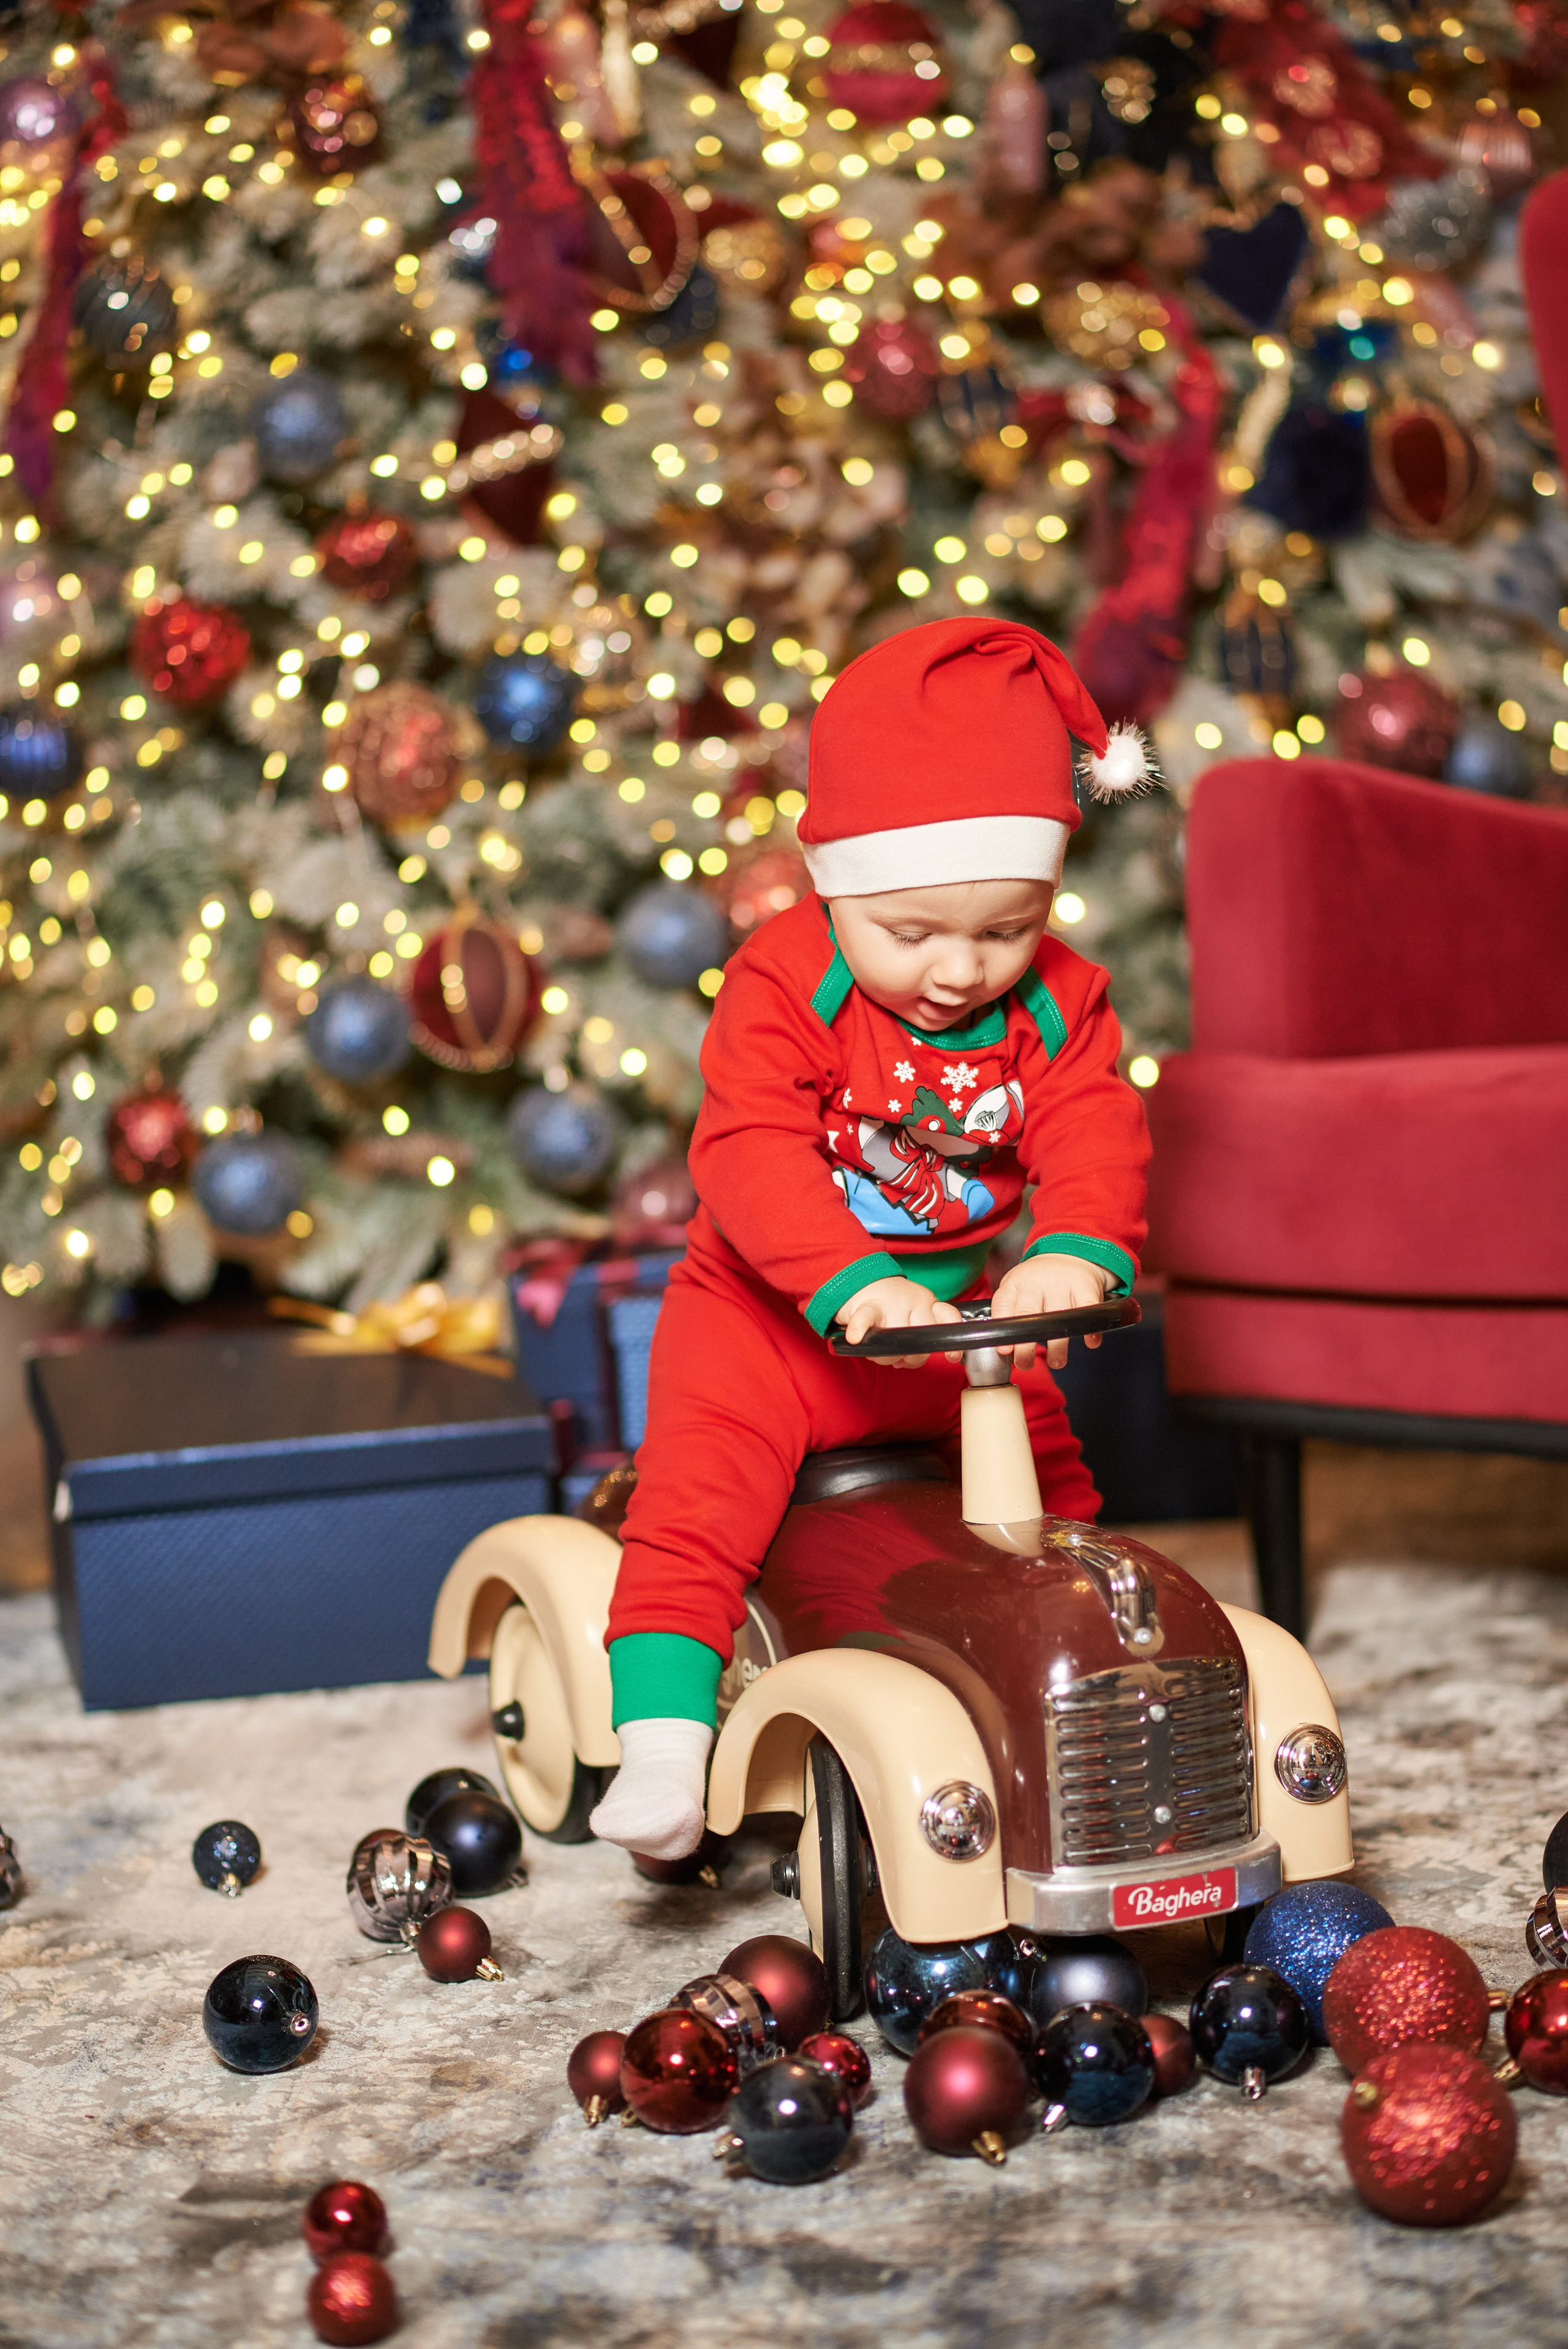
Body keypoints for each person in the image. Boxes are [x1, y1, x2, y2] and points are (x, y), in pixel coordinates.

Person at [589, 617, 1155, 1860]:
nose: (959, 969)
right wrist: (851, 1280)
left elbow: (1093, 1129)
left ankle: (1078, 1704)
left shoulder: (1061, 1000)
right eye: (911, 932)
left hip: (966, 1336)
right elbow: (744, 1152)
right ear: (837, 883)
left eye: (1003, 928)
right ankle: (666, 1740)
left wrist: (1069, 1246)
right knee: (696, 1501)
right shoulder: (784, 984)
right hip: (770, 1324)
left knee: (1059, 1517)